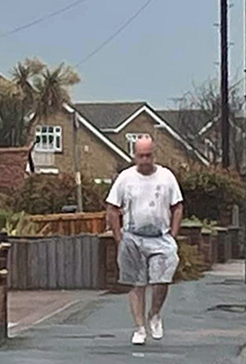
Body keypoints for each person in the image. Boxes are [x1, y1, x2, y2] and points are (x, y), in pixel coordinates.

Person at [105, 135, 184, 345]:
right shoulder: (125, 178)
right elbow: (112, 208)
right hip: (133, 236)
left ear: (154, 154)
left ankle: (155, 314)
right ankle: (139, 327)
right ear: (134, 156)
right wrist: (118, 238)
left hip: (160, 237)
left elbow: (177, 207)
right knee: (136, 283)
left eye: (148, 155)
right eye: (141, 156)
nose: (145, 160)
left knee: (162, 280)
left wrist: (173, 235)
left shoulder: (166, 177)